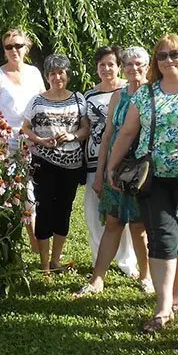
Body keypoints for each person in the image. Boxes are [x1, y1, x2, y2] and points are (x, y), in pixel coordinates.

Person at [107, 34, 178, 333]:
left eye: (175, 54)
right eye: (162, 55)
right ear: (155, 62)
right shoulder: (145, 94)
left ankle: (177, 294)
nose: (169, 60)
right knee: (161, 236)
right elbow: (127, 132)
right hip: (154, 176)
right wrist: (112, 165)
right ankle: (162, 307)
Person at [76, 47, 152, 297]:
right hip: (115, 166)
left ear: (148, 65)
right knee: (112, 221)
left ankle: (145, 275)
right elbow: (108, 134)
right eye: (128, 64)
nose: (133, 69)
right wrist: (101, 173)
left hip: (143, 168)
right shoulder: (118, 96)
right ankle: (97, 278)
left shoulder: (154, 93)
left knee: (139, 227)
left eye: (138, 64)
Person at [21, 54, 89, 274]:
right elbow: (25, 128)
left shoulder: (78, 99)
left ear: (67, 75)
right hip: (44, 162)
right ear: (47, 76)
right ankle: (44, 264)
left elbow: (85, 128)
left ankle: (56, 260)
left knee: (64, 210)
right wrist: (40, 140)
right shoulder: (37, 100)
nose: (57, 77)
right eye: (52, 73)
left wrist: (73, 137)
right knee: (44, 210)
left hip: (71, 164)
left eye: (61, 72)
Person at [0, 28, 46, 253]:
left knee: (36, 194)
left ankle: (39, 248)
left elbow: (44, 105)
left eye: (18, 45)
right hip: (6, 144)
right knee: (21, 195)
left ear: (27, 48)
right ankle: (31, 247)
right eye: (9, 47)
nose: (14, 50)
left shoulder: (35, 73)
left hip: (35, 142)